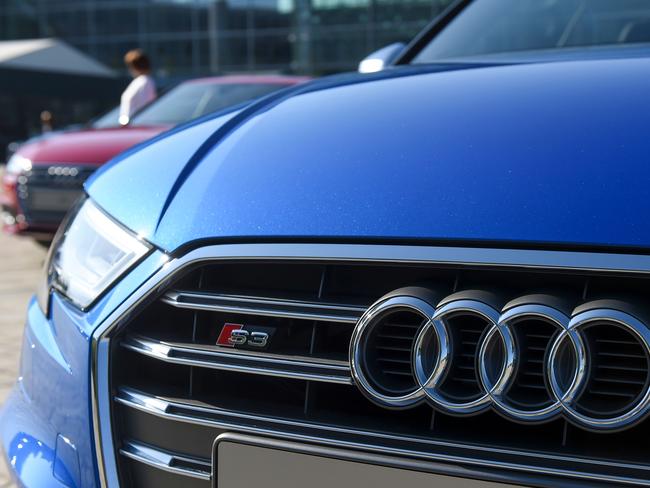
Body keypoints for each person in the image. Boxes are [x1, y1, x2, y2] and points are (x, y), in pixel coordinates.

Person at [119, 49, 157, 126]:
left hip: (137, 126)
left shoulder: (145, 82)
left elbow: (145, 106)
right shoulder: (139, 81)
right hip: (130, 125)